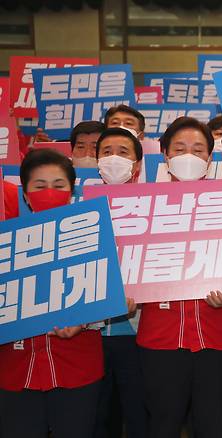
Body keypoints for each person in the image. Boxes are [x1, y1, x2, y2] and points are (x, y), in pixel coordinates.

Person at [137, 117, 222, 438]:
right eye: (180, 148)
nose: (189, 156)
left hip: (217, 334)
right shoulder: (140, 207)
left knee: (213, 425)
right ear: (165, 155)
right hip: (161, 337)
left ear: (210, 159)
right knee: (163, 425)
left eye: (198, 150)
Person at [0, 149, 105, 438]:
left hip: (77, 366)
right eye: (39, 185)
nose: (49, 192)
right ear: (25, 194)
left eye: (59, 185)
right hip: (16, 369)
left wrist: (83, 321)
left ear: (71, 192)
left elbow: (106, 298)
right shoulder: (6, 241)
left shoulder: (93, 236)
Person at [93, 128, 147, 438]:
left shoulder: (156, 206)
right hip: (91, 332)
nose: (114, 157)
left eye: (124, 151)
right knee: (98, 417)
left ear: (137, 164)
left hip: (137, 331)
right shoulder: (77, 206)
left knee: (138, 412)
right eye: (107, 151)